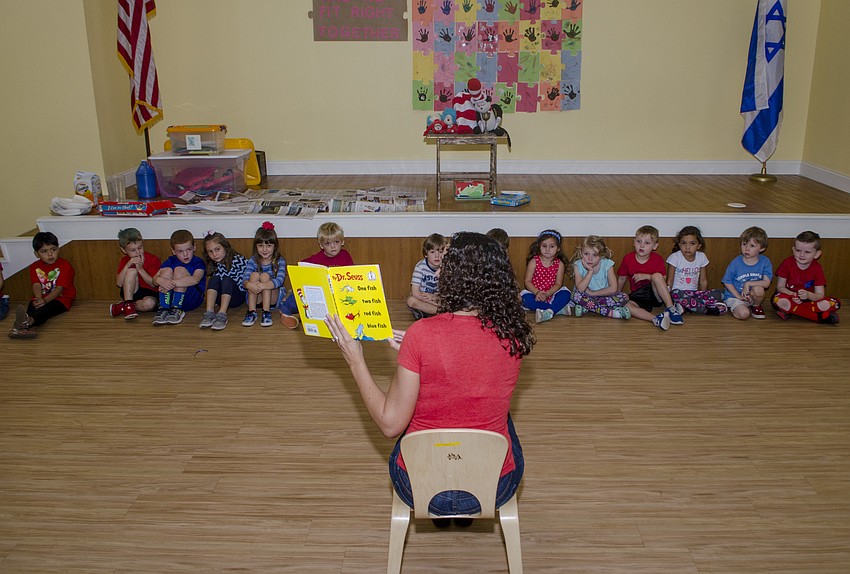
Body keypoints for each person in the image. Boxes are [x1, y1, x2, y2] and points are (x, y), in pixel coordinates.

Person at [324, 231, 534, 522]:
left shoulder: (422, 334)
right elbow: (470, 361)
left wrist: (355, 359)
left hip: (421, 486)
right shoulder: (513, 335)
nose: (438, 272)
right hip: (494, 486)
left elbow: (390, 424)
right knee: (499, 414)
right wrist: (420, 353)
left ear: (453, 277)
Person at [278, 221, 354, 329]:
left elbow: (352, 273)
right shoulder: (316, 258)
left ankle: (301, 315)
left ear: (342, 241)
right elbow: (301, 265)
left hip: (338, 293)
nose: (333, 246)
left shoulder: (345, 255)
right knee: (300, 295)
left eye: (336, 242)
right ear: (321, 245)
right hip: (320, 293)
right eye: (328, 244)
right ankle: (285, 311)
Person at [9, 231, 76, 339]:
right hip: (42, 297)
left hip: (62, 299)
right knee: (32, 307)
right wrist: (39, 299)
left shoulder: (64, 265)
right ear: (37, 254)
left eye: (53, 250)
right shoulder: (34, 267)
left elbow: (59, 288)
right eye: (44, 251)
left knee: (46, 311)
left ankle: (29, 322)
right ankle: (20, 327)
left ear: (58, 249)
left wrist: (44, 301)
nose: (50, 254)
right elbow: (36, 285)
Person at [617, 225, 683, 331]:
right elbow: (621, 278)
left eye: (647, 243)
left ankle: (671, 308)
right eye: (639, 241)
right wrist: (616, 295)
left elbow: (663, 279)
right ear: (634, 242)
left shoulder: (657, 259)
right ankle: (657, 319)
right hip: (639, 295)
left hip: (656, 293)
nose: (641, 245)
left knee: (657, 276)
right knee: (625, 305)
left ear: (655, 246)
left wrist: (647, 276)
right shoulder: (628, 259)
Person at [771, 230, 840, 324]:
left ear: (817, 254)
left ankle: (791, 310)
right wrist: (792, 294)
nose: (802, 255)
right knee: (777, 299)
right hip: (789, 296)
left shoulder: (817, 268)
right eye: (798, 250)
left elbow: (820, 295)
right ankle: (819, 317)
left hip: (809, 300)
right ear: (793, 249)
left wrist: (808, 295)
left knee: (835, 303)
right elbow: (780, 287)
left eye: (807, 252)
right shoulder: (787, 263)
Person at [665, 225, 727, 315]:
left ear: (699, 245)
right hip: (679, 293)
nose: (687, 247)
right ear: (679, 244)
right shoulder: (675, 257)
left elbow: (703, 280)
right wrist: (668, 298)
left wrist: (703, 294)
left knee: (721, 293)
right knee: (676, 294)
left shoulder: (701, 257)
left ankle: (688, 306)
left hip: (694, 294)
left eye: (692, 243)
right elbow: (670, 280)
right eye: (684, 243)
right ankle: (706, 309)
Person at [151, 229, 206, 326]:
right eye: (180, 251)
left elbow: (195, 279)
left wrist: (172, 283)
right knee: (166, 271)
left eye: (188, 249)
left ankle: (177, 308)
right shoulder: (170, 261)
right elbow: (154, 280)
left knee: (179, 270)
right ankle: (164, 308)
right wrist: (160, 280)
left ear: (194, 247)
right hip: (171, 299)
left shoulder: (198, 262)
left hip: (192, 298)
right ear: (173, 251)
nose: (185, 254)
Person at [570, 235, 631, 319]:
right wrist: (590, 271)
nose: (590, 258)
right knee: (575, 295)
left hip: (604, 296)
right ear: (581, 253)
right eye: (586, 254)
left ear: (601, 255)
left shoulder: (607, 264)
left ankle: (587, 307)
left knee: (624, 297)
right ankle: (611, 312)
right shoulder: (578, 265)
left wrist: (593, 293)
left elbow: (613, 288)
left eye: (595, 255)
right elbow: (580, 289)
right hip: (586, 296)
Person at [200, 231, 249, 330]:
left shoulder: (238, 260)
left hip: (236, 296)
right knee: (214, 279)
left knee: (227, 279)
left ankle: (222, 314)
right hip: (221, 297)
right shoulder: (213, 263)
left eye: (217, 249)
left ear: (225, 247)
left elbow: (248, 278)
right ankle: (209, 312)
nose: (214, 254)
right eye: (210, 251)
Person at [722, 226, 773, 320]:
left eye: (752, 246)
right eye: (744, 244)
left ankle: (756, 306)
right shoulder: (736, 262)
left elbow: (766, 283)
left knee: (759, 289)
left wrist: (748, 283)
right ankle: (734, 307)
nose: (746, 249)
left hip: (751, 296)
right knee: (744, 314)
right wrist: (738, 296)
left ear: (762, 248)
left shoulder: (765, 262)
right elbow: (727, 281)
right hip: (735, 296)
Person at [109, 228, 161, 320]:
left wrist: (140, 269)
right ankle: (128, 304)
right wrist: (128, 265)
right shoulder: (124, 260)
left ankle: (124, 307)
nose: (138, 252)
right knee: (131, 271)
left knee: (149, 304)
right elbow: (119, 283)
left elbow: (154, 284)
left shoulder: (153, 259)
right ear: (124, 250)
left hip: (150, 292)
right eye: (133, 250)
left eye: (140, 248)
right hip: (130, 292)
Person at [242, 222, 287, 328]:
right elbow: (244, 280)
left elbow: (280, 280)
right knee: (254, 275)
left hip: (273, 299)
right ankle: (251, 311)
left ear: (275, 247)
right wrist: (250, 285)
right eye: (260, 246)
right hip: (256, 298)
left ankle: (266, 312)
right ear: (256, 247)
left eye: (269, 245)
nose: (265, 249)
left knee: (265, 276)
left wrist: (263, 285)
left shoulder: (279, 260)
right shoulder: (253, 260)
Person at [520, 229, 571, 323]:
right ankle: (556, 309)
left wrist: (547, 294)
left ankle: (549, 312)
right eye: (544, 246)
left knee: (566, 294)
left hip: (552, 293)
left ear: (558, 248)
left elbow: (558, 284)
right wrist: (537, 292)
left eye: (552, 246)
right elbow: (527, 281)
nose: (547, 249)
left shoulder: (559, 264)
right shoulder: (534, 261)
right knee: (524, 299)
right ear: (539, 246)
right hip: (535, 294)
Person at [406, 233, 447, 320]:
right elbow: (415, 292)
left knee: (452, 302)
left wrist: (435, 297)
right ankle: (438, 312)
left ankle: (428, 312)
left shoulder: (447, 267)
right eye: (432, 252)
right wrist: (427, 299)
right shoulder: (420, 267)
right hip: (422, 297)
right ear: (426, 254)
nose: (437, 256)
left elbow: (448, 293)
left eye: (440, 252)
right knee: (411, 301)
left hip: (437, 298)